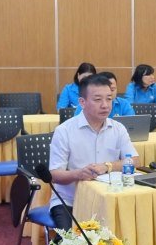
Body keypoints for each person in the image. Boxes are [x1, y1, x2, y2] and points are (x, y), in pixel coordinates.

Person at [48, 74, 140, 229]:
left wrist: (107, 166)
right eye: (98, 100)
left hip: (110, 199)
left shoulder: (118, 128)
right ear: (82, 102)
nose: (105, 105)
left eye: (109, 99)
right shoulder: (64, 131)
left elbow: (135, 160)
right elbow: (55, 175)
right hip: (71, 201)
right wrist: (78, 174)